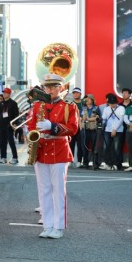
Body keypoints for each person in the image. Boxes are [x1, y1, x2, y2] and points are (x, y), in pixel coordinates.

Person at [29, 74, 79, 239]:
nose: (49, 90)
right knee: (44, 190)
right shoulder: (37, 106)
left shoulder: (69, 106)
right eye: (47, 87)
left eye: (53, 87)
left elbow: (73, 128)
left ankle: (58, 226)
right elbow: (30, 127)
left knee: (58, 190)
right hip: (41, 149)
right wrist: (31, 134)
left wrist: (53, 126)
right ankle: (47, 224)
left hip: (59, 149)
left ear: (61, 88)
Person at [100, 94, 125, 170]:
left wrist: (114, 129)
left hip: (118, 130)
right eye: (110, 103)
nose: (112, 105)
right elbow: (104, 118)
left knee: (117, 148)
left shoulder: (121, 108)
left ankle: (117, 164)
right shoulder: (106, 109)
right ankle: (107, 163)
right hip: (108, 130)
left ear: (116, 102)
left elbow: (121, 120)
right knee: (106, 147)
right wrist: (100, 121)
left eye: (113, 103)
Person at [0, 88, 19, 164]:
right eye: (4, 93)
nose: (4, 94)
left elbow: (16, 114)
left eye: (5, 93)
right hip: (1, 125)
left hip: (9, 126)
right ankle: (3, 157)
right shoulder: (1, 103)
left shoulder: (13, 103)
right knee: (2, 142)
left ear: (9, 94)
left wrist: (15, 123)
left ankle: (15, 158)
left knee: (11, 142)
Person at [81, 94, 101, 169]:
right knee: (84, 146)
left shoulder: (96, 108)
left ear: (92, 100)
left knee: (94, 147)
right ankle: (85, 163)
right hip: (85, 129)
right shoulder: (83, 108)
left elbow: (97, 118)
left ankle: (95, 163)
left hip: (93, 130)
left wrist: (88, 119)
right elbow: (81, 118)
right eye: (86, 99)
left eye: (89, 99)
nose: (87, 100)